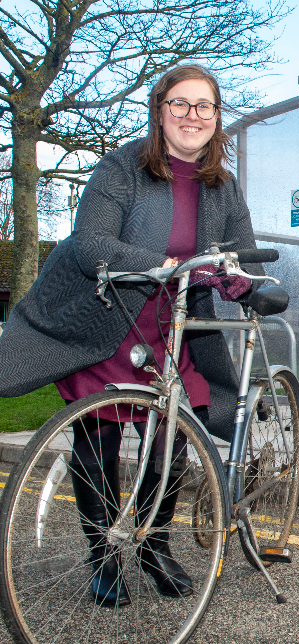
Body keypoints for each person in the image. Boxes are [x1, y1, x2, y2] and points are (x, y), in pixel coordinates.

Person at [0, 64, 262, 606]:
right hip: (106, 321)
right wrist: (166, 265)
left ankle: (153, 545)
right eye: (181, 104)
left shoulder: (223, 186)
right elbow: (91, 243)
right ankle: (103, 556)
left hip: (175, 329)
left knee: (171, 440)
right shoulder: (120, 167)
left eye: (204, 106)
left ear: (217, 117)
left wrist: (246, 285)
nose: (193, 116)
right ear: (160, 109)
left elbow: (239, 257)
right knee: (98, 440)